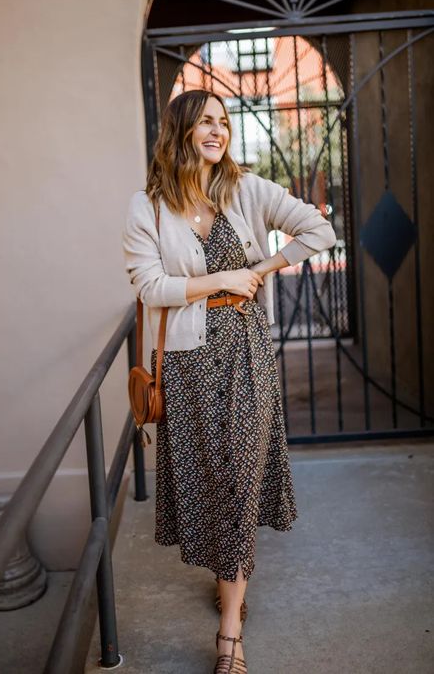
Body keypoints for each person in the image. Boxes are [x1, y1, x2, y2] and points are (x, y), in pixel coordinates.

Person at [122, 89, 336, 673]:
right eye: (205, 122)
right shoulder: (148, 206)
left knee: (240, 477)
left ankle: (229, 635)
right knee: (213, 480)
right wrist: (220, 282)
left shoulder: (247, 189)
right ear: (181, 130)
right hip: (190, 365)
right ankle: (227, 576)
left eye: (224, 122)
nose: (218, 131)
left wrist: (262, 269)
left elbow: (319, 232)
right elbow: (149, 286)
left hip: (245, 356)